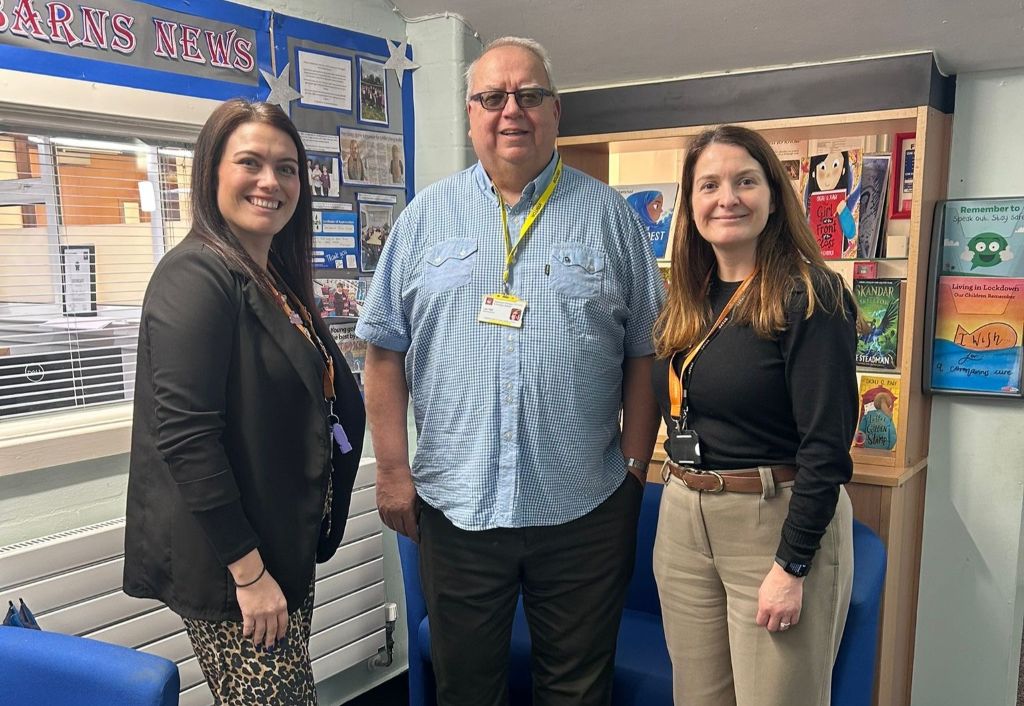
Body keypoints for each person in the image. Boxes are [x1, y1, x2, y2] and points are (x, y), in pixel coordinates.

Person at [356, 36, 665, 706]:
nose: (510, 111)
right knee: (466, 689)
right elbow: (383, 353)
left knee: (579, 689)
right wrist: (391, 471)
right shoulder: (423, 221)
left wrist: (635, 472)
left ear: (555, 112)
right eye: (492, 98)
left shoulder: (612, 218)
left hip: (584, 510)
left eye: (528, 96)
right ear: (471, 116)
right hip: (456, 510)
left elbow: (647, 353)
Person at [122, 98, 365, 705]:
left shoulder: (270, 275)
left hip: (279, 550)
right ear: (212, 173)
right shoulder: (194, 277)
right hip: (238, 568)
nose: (271, 182)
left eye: (286, 168)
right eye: (250, 163)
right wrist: (251, 575)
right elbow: (187, 438)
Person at [651, 124, 857, 706]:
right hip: (685, 519)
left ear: (773, 192)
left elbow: (826, 449)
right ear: (689, 205)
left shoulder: (813, 296)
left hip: (773, 522)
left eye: (746, 181)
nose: (727, 198)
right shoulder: (686, 296)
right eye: (708, 185)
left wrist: (792, 565)